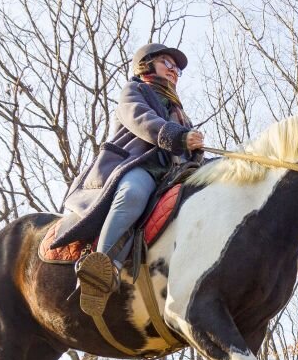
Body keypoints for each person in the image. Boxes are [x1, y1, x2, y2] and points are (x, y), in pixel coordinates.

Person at [60, 42, 204, 316]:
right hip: (139, 165)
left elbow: (186, 151)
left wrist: (198, 154)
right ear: (146, 65)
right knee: (134, 194)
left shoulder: (180, 112)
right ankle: (101, 268)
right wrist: (179, 137)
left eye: (177, 68)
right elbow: (140, 119)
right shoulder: (135, 91)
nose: (174, 71)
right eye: (167, 63)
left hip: (172, 175)